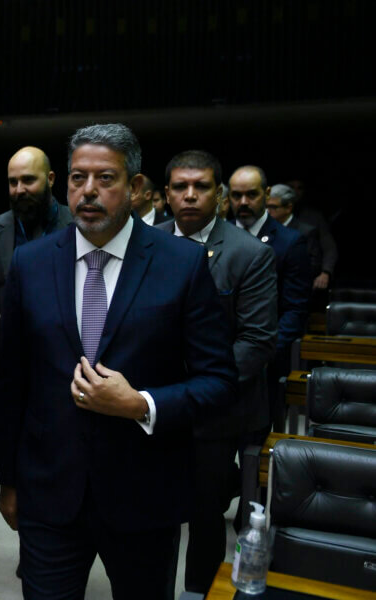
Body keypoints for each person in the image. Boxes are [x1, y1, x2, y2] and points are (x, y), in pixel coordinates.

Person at [0, 124, 236, 600]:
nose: (89, 191)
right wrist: (8, 481)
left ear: (135, 187)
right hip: (50, 491)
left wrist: (140, 404)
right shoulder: (31, 263)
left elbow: (218, 381)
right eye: (78, 178)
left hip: (143, 495)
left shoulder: (182, 263)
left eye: (105, 178)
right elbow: (11, 382)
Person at [158, 150, 277, 594]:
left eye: (201, 186)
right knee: (155, 509)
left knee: (206, 515)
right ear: (166, 194)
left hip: (216, 411)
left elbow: (257, 340)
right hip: (154, 404)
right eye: (181, 187)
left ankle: (197, 592)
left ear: (219, 194)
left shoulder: (247, 254)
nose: (190, 195)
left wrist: (199, 388)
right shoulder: (146, 242)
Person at [229, 166, 310, 441]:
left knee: (254, 444)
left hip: (266, 362)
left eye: (251, 195)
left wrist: (262, 351)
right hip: (220, 359)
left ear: (265, 194)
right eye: (236, 195)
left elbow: (295, 309)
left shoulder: (290, 241)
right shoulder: (219, 235)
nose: (242, 202)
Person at [0, 146, 72, 302]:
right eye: (13, 182)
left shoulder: (78, 225)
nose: (19, 190)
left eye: (28, 180)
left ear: (50, 179)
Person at [285, 179, 338, 291]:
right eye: (291, 187)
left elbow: (329, 247)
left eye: (299, 188)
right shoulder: (274, 215)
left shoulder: (315, 217)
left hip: (308, 276)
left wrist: (326, 272)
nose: (295, 191)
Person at [268, 184, 323, 283]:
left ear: (288, 208)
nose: (267, 211)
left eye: (273, 207)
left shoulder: (306, 232)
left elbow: (313, 266)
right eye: (265, 206)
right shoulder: (265, 228)